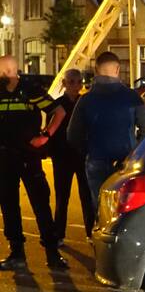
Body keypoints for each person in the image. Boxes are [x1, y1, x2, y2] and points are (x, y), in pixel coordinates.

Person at [0, 55, 67, 270]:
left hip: (28, 156)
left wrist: (45, 135)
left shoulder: (31, 90)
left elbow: (59, 112)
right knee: (8, 204)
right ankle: (16, 252)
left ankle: (52, 252)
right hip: (4, 157)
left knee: (40, 203)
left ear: (8, 70)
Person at [67, 52, 145, 211]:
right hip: (125, 162)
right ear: (118, 69)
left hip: (96, 160)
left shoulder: (86, 100)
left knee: (101, 208)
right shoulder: (132, 97)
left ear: (96, 70)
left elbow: (73, 135)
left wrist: (89, 149)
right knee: (124, 209)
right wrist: (135, 152)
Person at [51, 69, 94, 244]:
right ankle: (59, 233)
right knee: (62, 196)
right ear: (64, 83)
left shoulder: (85, 104)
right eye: (71, 82)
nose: (76, 86)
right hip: (62, 156)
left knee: (86, 195)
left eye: (78, 82)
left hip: (82, 155)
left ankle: (90, 232)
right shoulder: (58, 105)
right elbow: (52, 130)